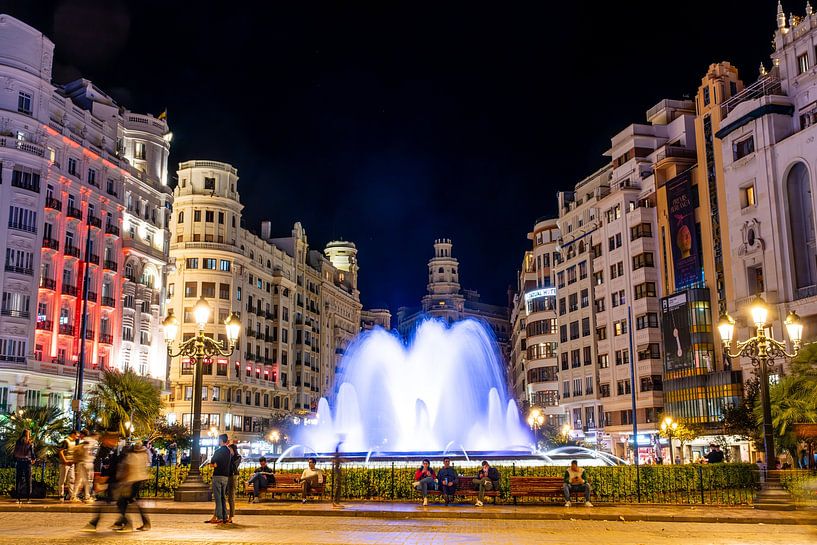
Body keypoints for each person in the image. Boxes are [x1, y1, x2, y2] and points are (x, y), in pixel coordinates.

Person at [84, 433, 123, 532]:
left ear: (111, 440)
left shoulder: (118, 451)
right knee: (111, 503)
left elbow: (117, 467)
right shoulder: (112, 450)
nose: (104, 441)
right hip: (113, 482)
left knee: (107, 502)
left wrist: (106, 478)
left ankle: (94, 523)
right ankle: (122, 522)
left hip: (115, 482)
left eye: (106, 439)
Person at [114, 442, 150, 532]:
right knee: (132, 501)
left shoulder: (132, 457)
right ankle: (144, 523)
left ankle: (127, 523)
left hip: (131, 481)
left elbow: (127, 469)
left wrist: (122, 481)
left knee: (121, 502)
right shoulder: (144, 456)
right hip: (139, 481)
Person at [209, 434, 232, 525]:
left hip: (217, 475)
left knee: (218, 498)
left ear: (221, 441)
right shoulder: (229, 452)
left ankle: (220, 517)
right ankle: (225, 516)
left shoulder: (218, 451)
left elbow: (213, 463)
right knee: (223, 497)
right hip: (225, 476)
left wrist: (214, 465)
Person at [74, 429, 97, 503]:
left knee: (79, 481)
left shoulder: (85, 441)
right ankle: (86, 496)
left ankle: (74, 496)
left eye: (81, 434)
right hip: (87, 463)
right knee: (87, 481)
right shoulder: (91, 442)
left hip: (83, 462)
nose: (79, 436)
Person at [13, 429, 35, 504]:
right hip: (27, 462)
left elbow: (15, 452)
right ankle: (28, 498)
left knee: (18, 480)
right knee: (28, 480)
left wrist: (16, 459)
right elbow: (32, 452)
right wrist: (33, 459)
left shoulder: (18, 441)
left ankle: (18, 499)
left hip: (19, 462)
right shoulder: (29, 442)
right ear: (28, 434)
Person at [58, 429, 79, 502]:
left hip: (71, 463)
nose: (77, 437)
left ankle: (72, 496)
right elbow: (60, 451)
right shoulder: (66, 441)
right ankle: (61, 496)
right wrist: (65, 461)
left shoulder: (73, 442)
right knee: (62, 480)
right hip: (65, 463)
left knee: (71, 479)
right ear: (73, 434)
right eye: (76, 435)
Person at [226, 443, 242, 523]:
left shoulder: (237, 457)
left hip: (233, 476)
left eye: (230, 449)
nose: (228, 451)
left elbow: (234, 466)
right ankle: (223, 515)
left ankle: (231, 516)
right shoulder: (228, 457)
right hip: (226, 476)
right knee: (224, 496)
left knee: (231, 497)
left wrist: (230, 457)